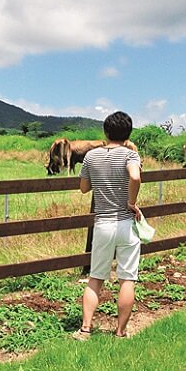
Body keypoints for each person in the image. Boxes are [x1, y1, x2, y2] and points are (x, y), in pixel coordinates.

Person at [77, 111, 142, 339]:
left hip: (103, 223)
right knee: (127, 278)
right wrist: (131, 202)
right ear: (128, 134)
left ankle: (85, 328)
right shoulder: (131, 156)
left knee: (96, 277)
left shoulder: (91, 157)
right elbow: (135, 177)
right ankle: (120, 331)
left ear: (106, 132)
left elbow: (84, 188)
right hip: (126, 223)